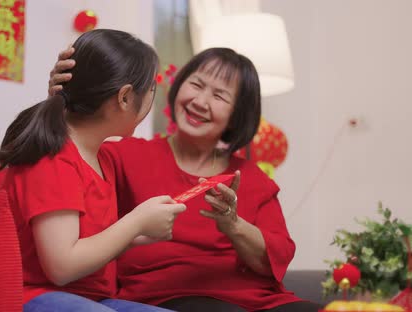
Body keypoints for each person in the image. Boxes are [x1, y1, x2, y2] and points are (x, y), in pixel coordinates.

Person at [49, 46, 323, 312]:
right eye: (196, 84)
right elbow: (69, 153)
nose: (200, 102)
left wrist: (233, 225)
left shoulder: (253, 178)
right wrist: (62, 105)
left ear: (236, 116)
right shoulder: (123, 156)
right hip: (164, 297)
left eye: (219, 96)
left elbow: (273, 261)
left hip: (260, 301)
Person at [0, 29, 186, 312]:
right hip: (35, 296)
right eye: (152, 90)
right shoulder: (54, 157)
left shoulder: (102, 158)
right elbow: (62, 266)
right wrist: (135, 223)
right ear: (126, 98)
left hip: (90, 299)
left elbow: (89, 241)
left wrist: (140, 234)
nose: (153, 98)